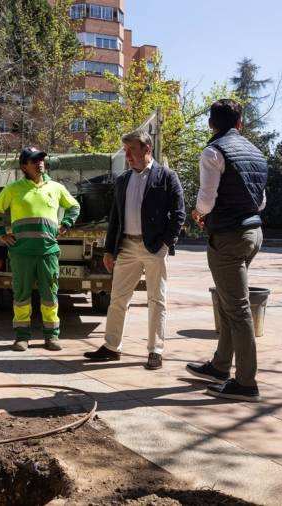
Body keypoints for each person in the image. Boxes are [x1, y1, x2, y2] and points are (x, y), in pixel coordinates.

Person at [186, 99, 268, 402]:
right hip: (253, 233)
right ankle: (220, 368)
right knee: (228, 300)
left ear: (211, 124)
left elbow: (206, 200)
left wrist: (199, 213)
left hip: (229, 236)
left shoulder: (213, 151)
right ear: (240, 123)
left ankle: (246, 383)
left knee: (237, 309)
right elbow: (261, 203)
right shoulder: (256, 153)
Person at [84, 129, 185, 370]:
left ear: (147, 149)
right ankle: (111, 346)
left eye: (132, 150)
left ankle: (155, 351)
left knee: (156, 300)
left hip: (154, 248)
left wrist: (165, 245)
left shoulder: (167, 176)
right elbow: (115, 217)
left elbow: (179, 214)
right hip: (126, 246)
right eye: (126, 150)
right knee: (117, 298)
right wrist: (109, 250)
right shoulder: (122, 180)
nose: (127, 155)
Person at [0, 147, 80, 352]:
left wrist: (66, 222)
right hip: (21, 252)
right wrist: (1, 234)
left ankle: (52, 337)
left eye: (41, 159)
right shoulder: (13, 189)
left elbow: (74, 206)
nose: (40, 163)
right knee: (21, 295)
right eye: (34, 160)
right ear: (24, 166)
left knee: (50, 295)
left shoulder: (56, 188)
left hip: (48, 251)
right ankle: (22, 337)